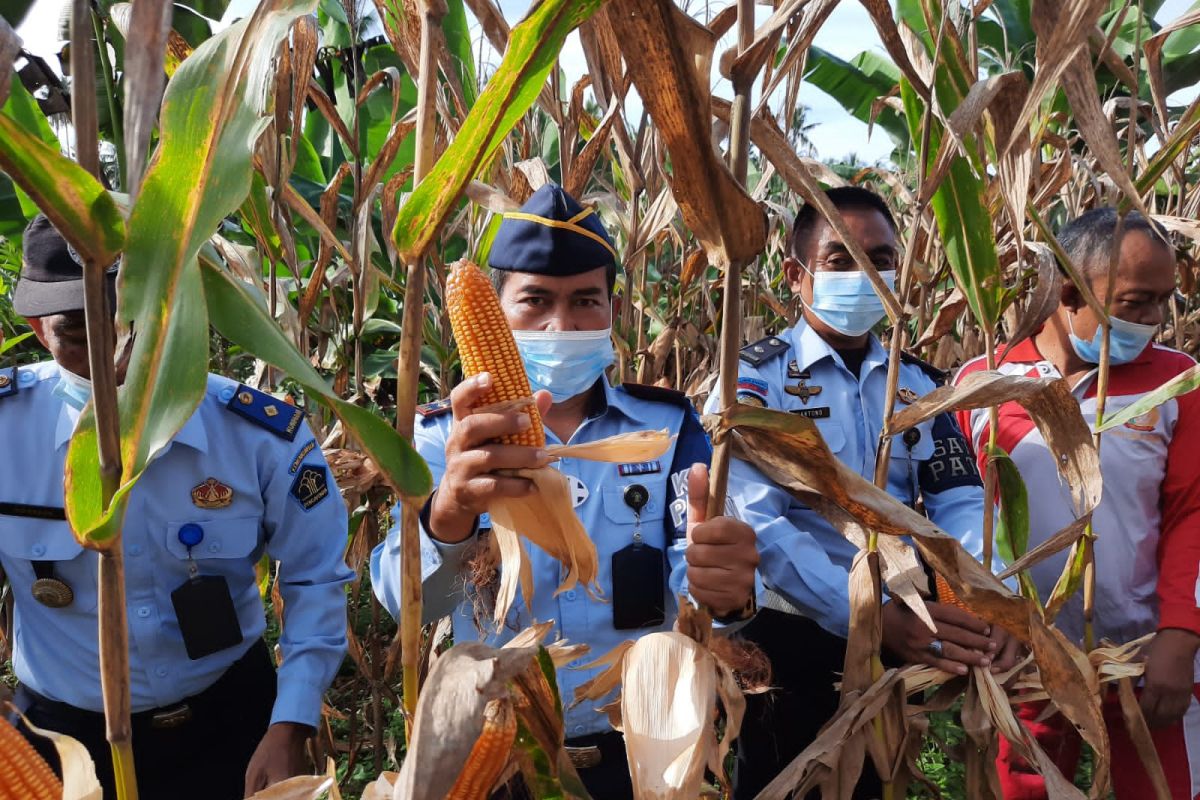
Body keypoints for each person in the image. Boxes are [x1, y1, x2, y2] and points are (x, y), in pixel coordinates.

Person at [370, 183, 760, 798]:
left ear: (612, 309)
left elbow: (703, 580)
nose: (561, 323)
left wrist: (730, 594)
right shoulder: (441, 438)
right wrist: (447, 512)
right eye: (535, 302)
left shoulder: (668, 427)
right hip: (497, 747)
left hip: (639, 740)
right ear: (496, 311)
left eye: (585, 301)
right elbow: (404, 602)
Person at [2, 215, 353, 799]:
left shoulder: (258, 436)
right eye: (75, 333)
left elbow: (316, 577)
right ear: (39, 329)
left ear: (168, 310)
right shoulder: (9, 432)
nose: (111, 357)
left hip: (232, 722)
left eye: (127, 326)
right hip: (63, 739)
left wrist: (290, 724)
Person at [709, 186, 1015, 799]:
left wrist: (989, 597)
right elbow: (763, 527)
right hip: (790, 637)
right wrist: (870, 619)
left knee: (880, 781)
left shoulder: (921, 385)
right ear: (796, 275)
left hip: (906, 628)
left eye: (880, 258)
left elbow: (957, 501)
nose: (866, 275)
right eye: (842, 260)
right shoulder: (752, 384)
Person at [954, 208, 1200, 799]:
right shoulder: (983, 383)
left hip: (1146, 656)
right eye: (1136, 302)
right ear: (1068, 292)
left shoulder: (1180, 382)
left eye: (1163, 302)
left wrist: (1181, 633)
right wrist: (996, 621)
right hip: (1028, 656)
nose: (1153, 321)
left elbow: (1193, 513)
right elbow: (961, 515)